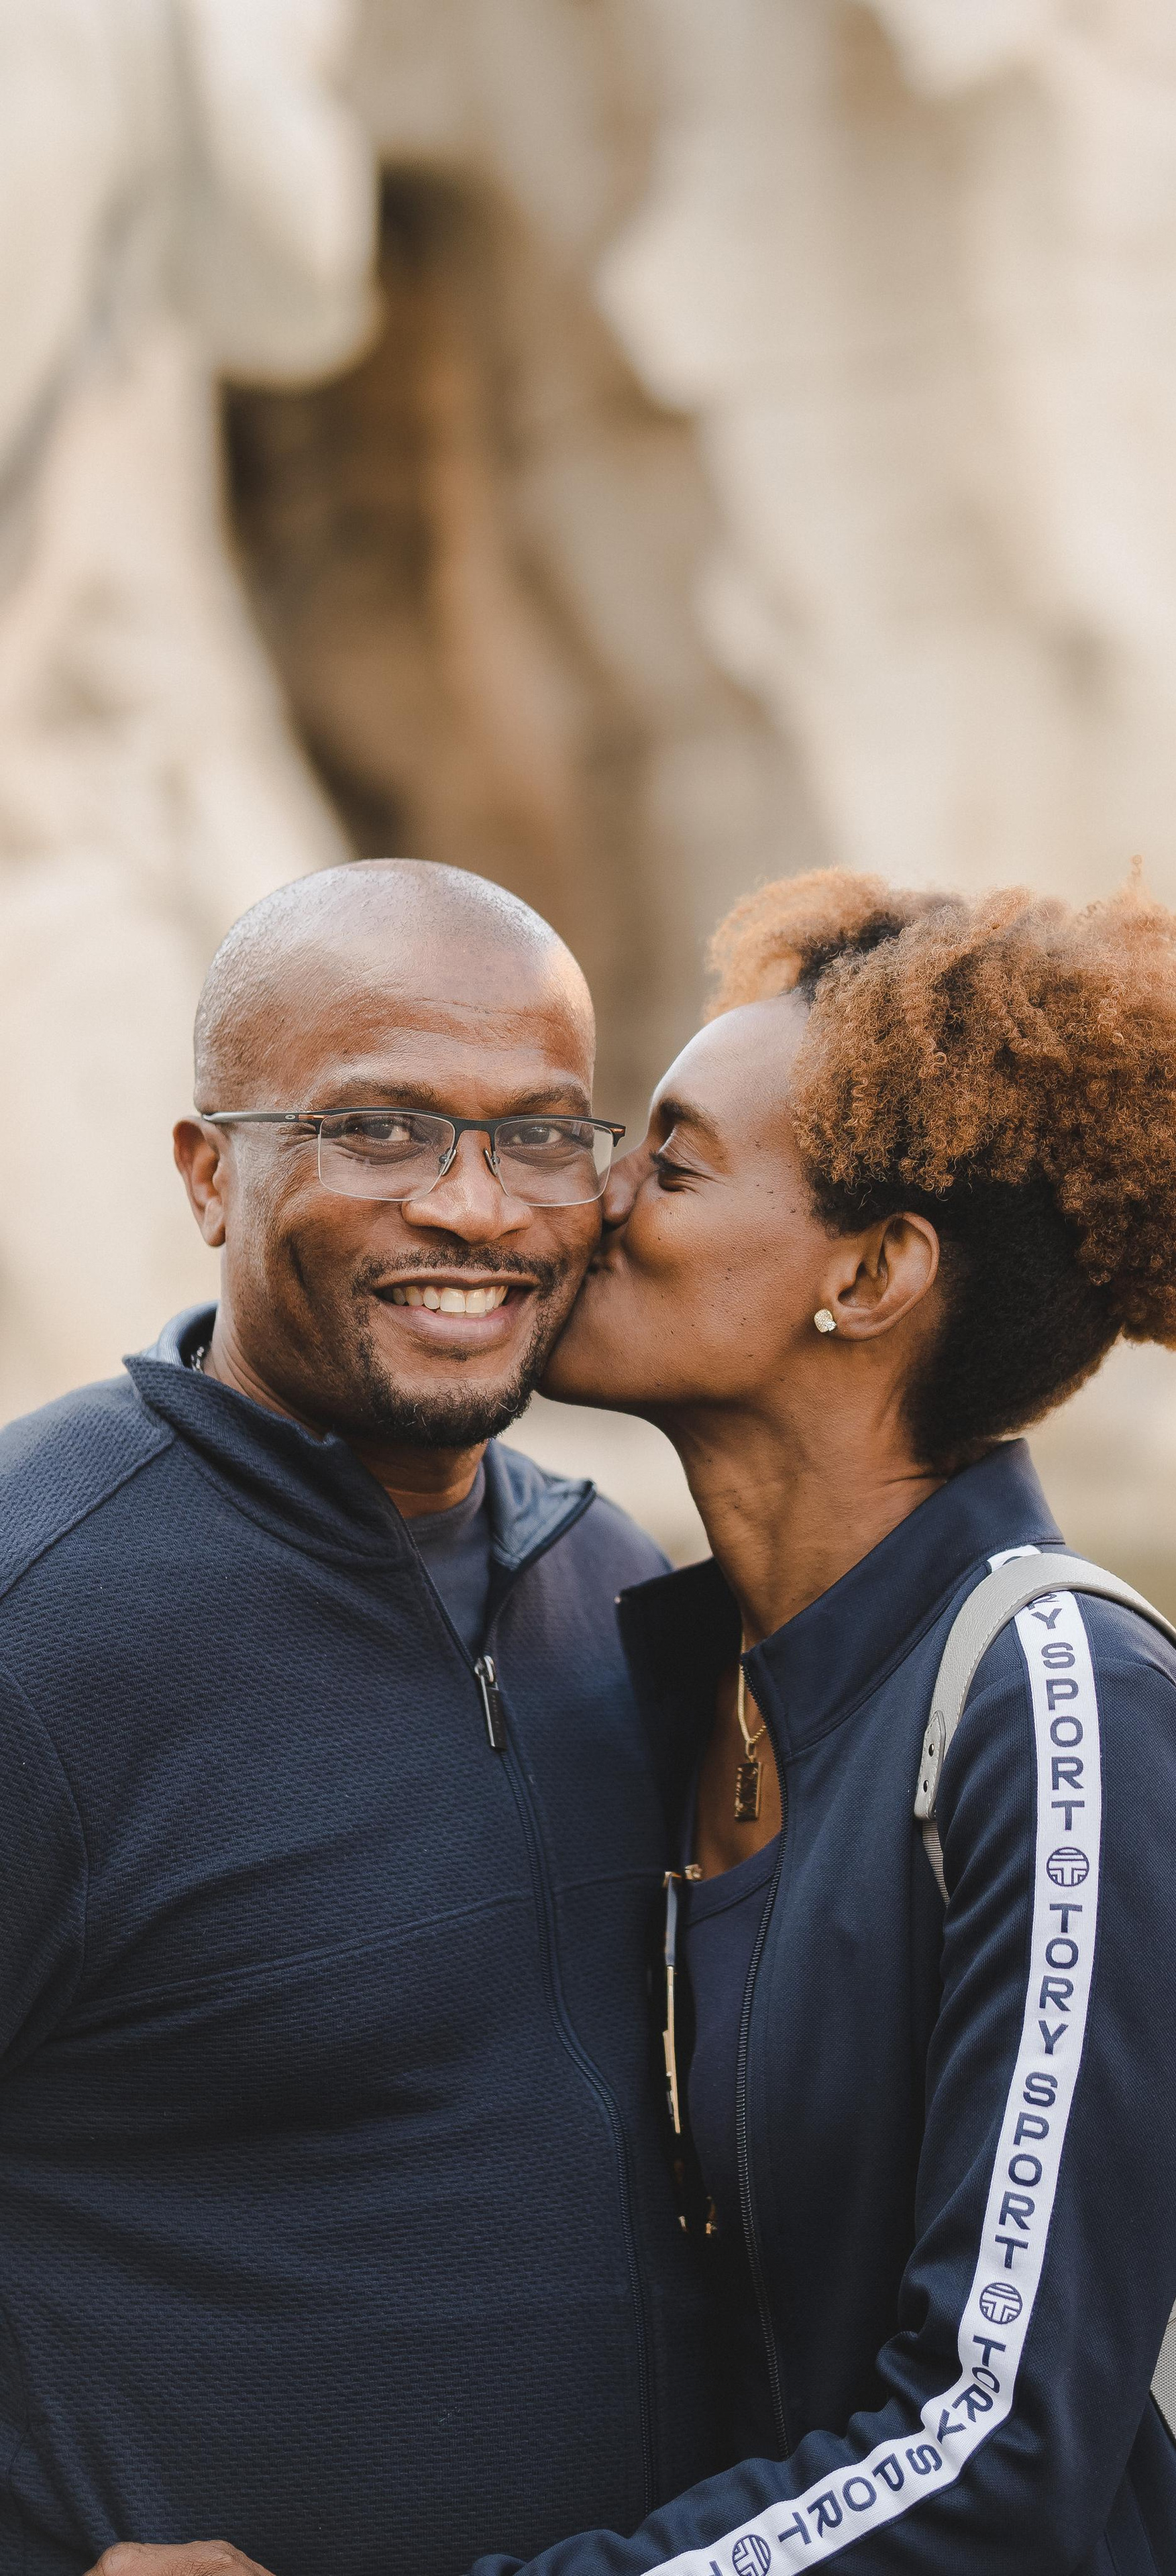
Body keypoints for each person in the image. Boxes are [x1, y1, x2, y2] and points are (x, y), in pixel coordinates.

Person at [104, 867, 1176, 2576]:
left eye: (670, 1163)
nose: (585, 1198)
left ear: (872, 1272)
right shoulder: (696, 1675)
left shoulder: (1063, 1710)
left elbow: (994, 2453)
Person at [0, 861, 718, 2576]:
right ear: (209, 1174)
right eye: (378, 1130)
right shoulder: (40, 1616)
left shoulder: (611, 1579)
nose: (475, 1207)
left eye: (538, 1134)